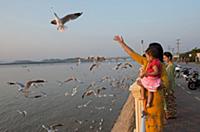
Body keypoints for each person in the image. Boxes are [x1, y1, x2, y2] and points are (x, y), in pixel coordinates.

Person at [114, 35, 169, 132]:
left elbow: (165, 84)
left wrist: (147, 84)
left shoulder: (161, 66)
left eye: (148, 54)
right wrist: (122, 43)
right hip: (148, 101)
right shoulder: (146, 62)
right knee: (148, 124)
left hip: (155, 101)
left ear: (153, 55)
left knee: (154, 126)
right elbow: (132, 53)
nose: (146, 55)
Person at [163, 52, 177, 119]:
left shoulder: (170, 66)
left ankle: (170, 115)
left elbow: (169, 78)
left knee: (169, 101)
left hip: (170, 86)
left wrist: (168, 88)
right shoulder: (169, 65)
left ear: (169, 58)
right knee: (170, 100)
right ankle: (170, 114)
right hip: (170, 86)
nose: (164, 59)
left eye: (165, 58)